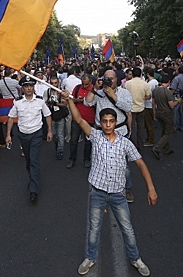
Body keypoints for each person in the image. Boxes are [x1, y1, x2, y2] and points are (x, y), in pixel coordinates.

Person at [61, 91, 157, 277]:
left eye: (110, 121)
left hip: (118, 195)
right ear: (100, 122)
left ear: (115, 122)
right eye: (104, 121)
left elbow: (141, 164)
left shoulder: (125, 143)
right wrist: (70, 101)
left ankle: (135, 258)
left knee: (127, 229)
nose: (107, 125)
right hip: (97, 192)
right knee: (94, 228)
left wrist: (151, 188)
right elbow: (79, 119)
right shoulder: (95, 137)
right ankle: (90, 257)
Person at [84, 69, 136, 203]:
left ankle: (127, 188)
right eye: (106, 78)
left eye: (111, 78)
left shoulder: (124, 93)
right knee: (99, 161)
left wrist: (113, 96)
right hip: (101, 133)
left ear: (117, 80)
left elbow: (128, 107)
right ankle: (101, 187)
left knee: (123, 165)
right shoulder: (99, 93)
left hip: (120, 132)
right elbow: (87, 102)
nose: (109, 80)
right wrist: (94, 88)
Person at [6, 75, 52, 202]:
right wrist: (8, 135)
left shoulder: (40, 101)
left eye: (31, 86)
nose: (29, 88)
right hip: (23, 134)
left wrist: (49, 131)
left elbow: (47, 115)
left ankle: (33, 190)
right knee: (28, 161)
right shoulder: (17, 102)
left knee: (34, 161)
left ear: (33, 87)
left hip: (36, 133)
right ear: (22, 88)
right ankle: (32, 178)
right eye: (26, 86)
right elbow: (10, 117)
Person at [67, 74, 95, 169]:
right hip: (77, 119)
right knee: (73, 140)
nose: (85, 86)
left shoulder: (94, 90)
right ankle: (72, 159)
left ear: (90, 82)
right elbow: (71, 100)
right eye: (83, 84)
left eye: (86, 84)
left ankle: (86, 159)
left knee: (88, 142)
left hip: (89, 120)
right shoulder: (77, 88)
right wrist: (76, 100)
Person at [125, 67, 152, 151]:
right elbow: (148, 96)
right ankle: (140, 144)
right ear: (141, 74)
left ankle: (133, 145)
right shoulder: (145, 84)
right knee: (140, 127)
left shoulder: (127, 83)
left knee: (132, 127)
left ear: (132, 74)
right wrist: (142, 97)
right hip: (141, 108)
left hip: (130, 108)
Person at [151, 75, 177, 160]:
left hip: (159, 112)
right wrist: (178, 101)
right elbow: (172, 105)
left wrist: (154, 113)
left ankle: (167, 149)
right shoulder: (167, 92)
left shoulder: (155, 90)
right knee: (169, 132)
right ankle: (157, 148)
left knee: (164, 130)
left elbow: (153, 103)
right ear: (169, 82)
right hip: (167, 113)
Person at [44, 77, 68, 160]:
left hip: (60, 115)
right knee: (54, 135)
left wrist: (56, 104)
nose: (54, 85)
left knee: (60, 134)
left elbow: (65, 104)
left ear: (58, 83)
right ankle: (57, 145)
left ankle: (60, 150)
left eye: (55, 83)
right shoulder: (47, 92)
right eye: (52, 83)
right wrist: (48, 104)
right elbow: (45, 103)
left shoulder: (61, 92)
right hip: (51, 116)